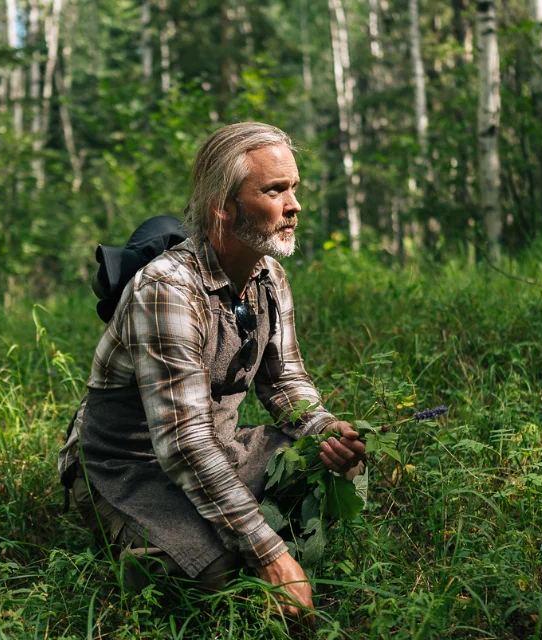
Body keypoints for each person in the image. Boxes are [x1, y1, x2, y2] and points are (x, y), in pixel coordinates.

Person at [58, 122, 366, 617]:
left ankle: (223, 524)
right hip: (126, 467)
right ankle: (145, 549)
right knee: (215, 571)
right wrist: (269, 553)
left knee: (330, 470)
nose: (295, 205)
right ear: (223, 205)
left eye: (294, 188)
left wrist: (326, 430)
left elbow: (284, 379)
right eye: (275, 190)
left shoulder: (268, 273)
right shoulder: (167, 290)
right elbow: (183, 444)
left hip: (211, 447)